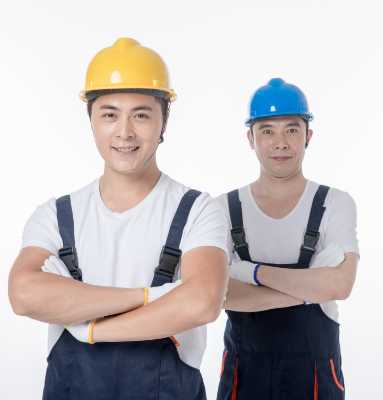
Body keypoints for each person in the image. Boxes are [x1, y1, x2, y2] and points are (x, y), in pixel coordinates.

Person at [8, 37, 228, 400]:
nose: (125, 132)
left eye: (141, 115)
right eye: (109, 114)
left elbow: (202, 301)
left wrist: (89, 330)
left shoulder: (198, 210)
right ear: (91, 121)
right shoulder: (56, 216)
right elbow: (23, 294)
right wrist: (154, 296)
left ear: (163, 121)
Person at [217, 78, 360, 400]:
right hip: (243, 377)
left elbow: (340, 286)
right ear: (250, 138)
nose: (280, 143)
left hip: (315, 378)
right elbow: (217, 294)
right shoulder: (221, 209)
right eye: (267, 131)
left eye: (291, 130)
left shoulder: (334, 203)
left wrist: (248, 272)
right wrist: (311, 288)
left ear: (308, 135)